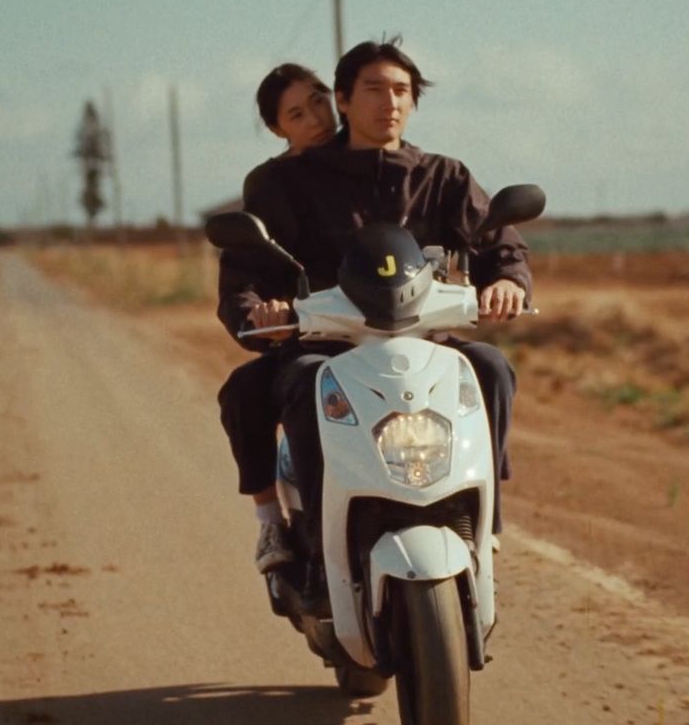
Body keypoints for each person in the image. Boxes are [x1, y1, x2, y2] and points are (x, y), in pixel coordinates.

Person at [217, 37, 530, 570]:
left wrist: (509, 282)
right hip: (328, 342)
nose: (390, 102)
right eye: (374, 89)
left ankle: (485, 516)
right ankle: (312, 537)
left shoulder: (444, 176)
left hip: (422, 337)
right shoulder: (288, 182)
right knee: (296, 381)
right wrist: (258, 314)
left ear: (414, 102)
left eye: (402, 91)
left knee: (491, 367)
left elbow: (499, 241)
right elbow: (246, 271)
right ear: (344, 99)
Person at [216, 64, 337, 572]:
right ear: (277, 129)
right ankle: (272, 522)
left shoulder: (379, 159)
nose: (316, 117)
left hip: (392, 330)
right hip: (309, 336)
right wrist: (261, 315)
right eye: (296, 113)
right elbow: (242, 275)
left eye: (319, 99)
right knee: (243, 392)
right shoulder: (269, 186)